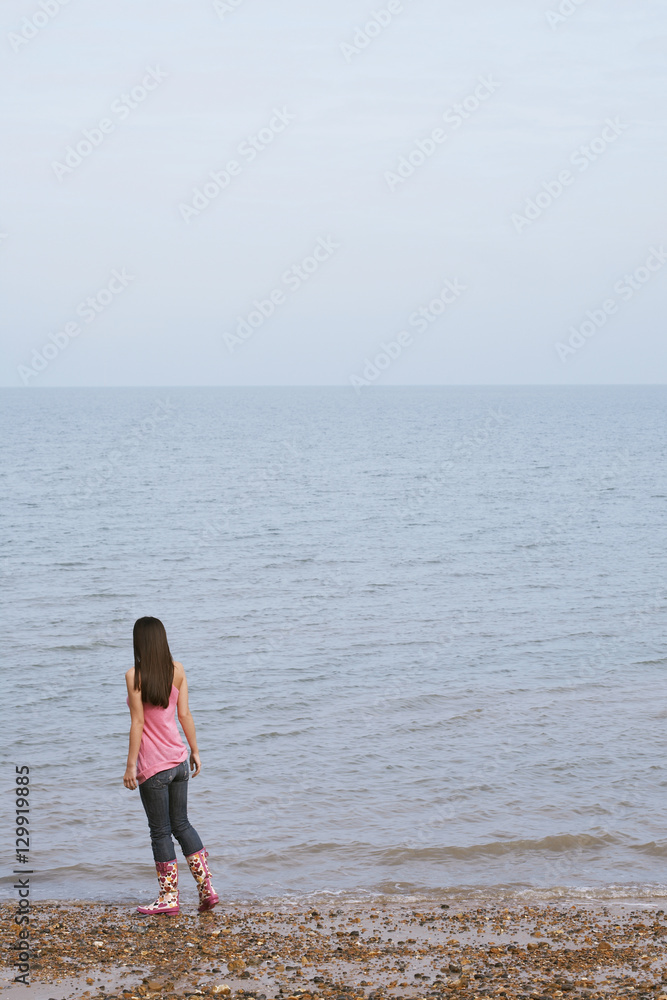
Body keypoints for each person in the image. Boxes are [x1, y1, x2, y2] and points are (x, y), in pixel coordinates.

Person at [123, 616, 218, 915]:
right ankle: (207, 890)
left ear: (139, 642)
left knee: (161, 832)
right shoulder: (177, 670)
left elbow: (138, 722)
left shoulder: (134, 676)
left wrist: (130, 766)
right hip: (178, 763)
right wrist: (195, 750)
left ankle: (168, 898)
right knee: (182, 824)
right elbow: (184, 714)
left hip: (154, 767)